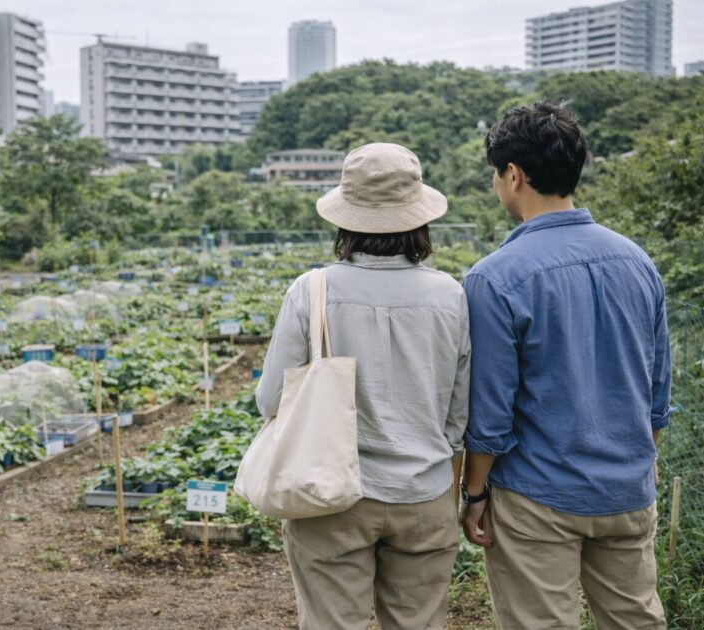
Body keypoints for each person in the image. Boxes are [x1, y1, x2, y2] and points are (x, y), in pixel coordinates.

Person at [460, 100, 671, 629]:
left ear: (513, 175)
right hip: (626, 486)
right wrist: (637, 465)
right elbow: (657, 391)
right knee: (636, 620)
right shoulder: (637, 261)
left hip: (538, 493)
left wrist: (475, 491)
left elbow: (490, 411)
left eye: (496, 173)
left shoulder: (493, 278)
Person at [256, 143, 470, 629]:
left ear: (345, 220)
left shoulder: (312, 290)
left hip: (330, 494)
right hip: (425, 493)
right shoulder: (450, 295)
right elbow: (460, 416)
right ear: (419, 220)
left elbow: (270, 400)